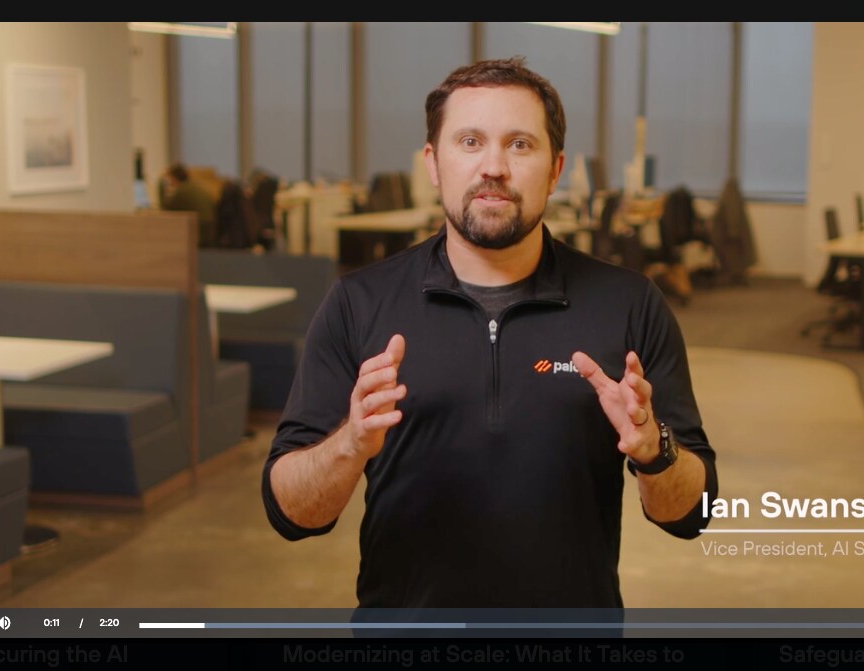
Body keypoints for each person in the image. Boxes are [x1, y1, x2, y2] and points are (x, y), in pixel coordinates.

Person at [263, 57, 718, 609]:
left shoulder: (629, 304)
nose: (494, 167)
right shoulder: (359, 302)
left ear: (555, 169)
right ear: (434, 163)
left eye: (520, 144)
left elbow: (691, 514)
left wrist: (655, 450)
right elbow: (291, 514)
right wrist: (350, 444)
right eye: (470, 141)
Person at [159, 163, 217, 247]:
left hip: (198, 233)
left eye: (170, 180)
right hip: (210, 230)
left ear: (174, 178)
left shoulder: (181, 191)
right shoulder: (196, 185)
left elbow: (165, 209)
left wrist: (161, 186)